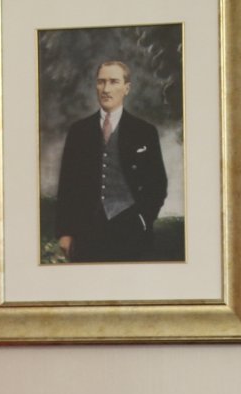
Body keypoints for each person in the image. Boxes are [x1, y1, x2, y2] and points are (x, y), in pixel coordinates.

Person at [54, 62, 169, 263]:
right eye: (101, 82)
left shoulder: (144, 131)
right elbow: (67, 185)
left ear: (127, 88)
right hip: (85, 232)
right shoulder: (79, 131)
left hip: (130, 231)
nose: (106, 89)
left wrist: (143, 219)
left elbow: (157, 183)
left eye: (114, 82)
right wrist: (65, 232)